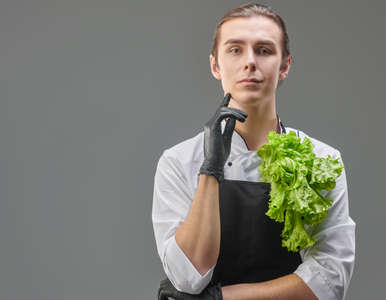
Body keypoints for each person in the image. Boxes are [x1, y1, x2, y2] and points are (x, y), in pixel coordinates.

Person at [152, 3, 356, 300]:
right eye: (235, 50)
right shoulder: (179, 161)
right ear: (215, 66)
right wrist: (210, 169)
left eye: (264, 50)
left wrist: (222, 298)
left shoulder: (322, 160)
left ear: (284, 65)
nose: (250, 62)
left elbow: (330, 279)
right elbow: (187, 277)